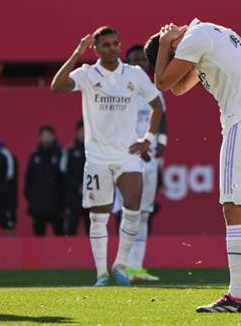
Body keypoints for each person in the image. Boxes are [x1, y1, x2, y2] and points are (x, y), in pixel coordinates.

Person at [144, 19, 241, 312]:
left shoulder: (194, 37)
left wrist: (166, 44)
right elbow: (179, 88)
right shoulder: (211, 33)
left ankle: (238, 295)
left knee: (234, 208)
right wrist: (171, 49)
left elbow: (163, 83)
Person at [51, 26, 163, 286]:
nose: (113, 48)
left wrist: (148, 139)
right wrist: (77, 53)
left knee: (133, 206)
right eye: (106, 45)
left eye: (116, 43)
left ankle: (120, 264)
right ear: (95, 48)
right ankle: (101, 273)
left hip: (127, 155)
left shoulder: (134, 74)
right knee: (98, 216)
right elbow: (57, 86)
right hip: (98, 157)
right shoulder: (88, 74)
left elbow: (157, 105)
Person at [112, 44, 168, 281]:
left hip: (150, 159)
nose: (140, 64)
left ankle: (136, 266)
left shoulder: (154, 88)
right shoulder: (119, 88)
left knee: (144, 213)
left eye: (143, 61)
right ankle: (121, 264)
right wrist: (139, 145)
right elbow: (113, 125)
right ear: (126, 61)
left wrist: (160, 143)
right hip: (127, 157)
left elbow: (161, 118)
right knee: (127, 211)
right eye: (135, 60)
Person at [24, 126, 64, 236]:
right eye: (44, 136)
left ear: (53, 136)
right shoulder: (34, 155)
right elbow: (28, 179)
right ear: (40, 137)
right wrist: (30, 198)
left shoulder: (61, 154)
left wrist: (63, 202)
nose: (46, 139)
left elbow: (65, 180)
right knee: (38, 238)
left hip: (56, 206)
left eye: (48, 136)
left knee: (60, 237)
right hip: (38, 206)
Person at [61, 119, 90, 235]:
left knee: (92, 230)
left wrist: (88, 186)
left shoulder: (95, 151)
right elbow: (63, 172)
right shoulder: (69, 151)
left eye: (85, 131)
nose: (83, 133)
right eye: (81, 131)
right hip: (73, 198)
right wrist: (77, 186)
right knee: (70, 230)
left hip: (91, 198)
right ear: (77, 132)